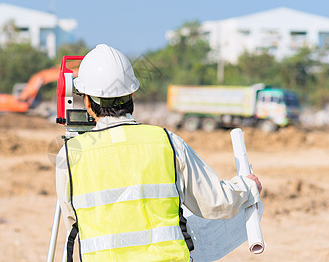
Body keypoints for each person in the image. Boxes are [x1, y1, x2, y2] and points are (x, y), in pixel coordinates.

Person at [56, 44, 262, 262]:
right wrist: (248, 187)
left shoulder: (70, 154)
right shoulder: (167, 142)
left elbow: (74, 224)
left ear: (87, 101)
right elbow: (214, 202)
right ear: (131, 94)